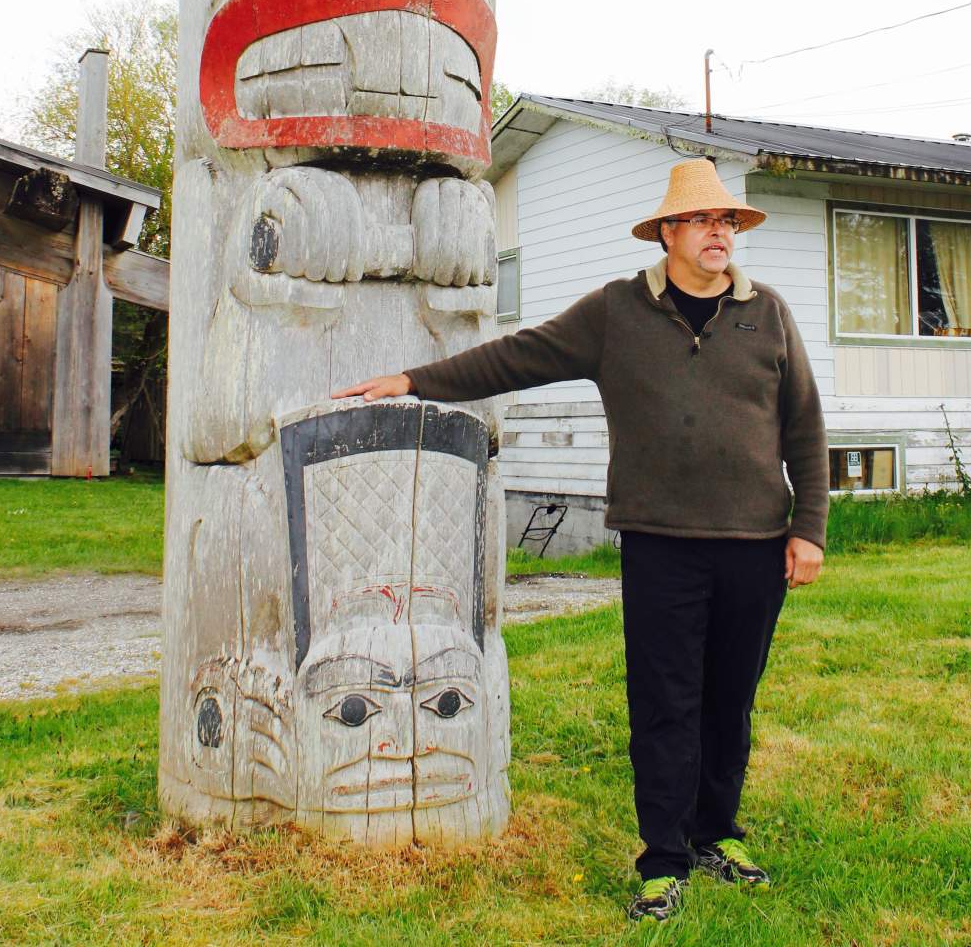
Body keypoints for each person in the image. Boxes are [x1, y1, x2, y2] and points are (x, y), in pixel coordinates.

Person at [333, 156, 828, 923]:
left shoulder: (769, 314)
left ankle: (715, 834)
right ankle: (663, 861)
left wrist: (809, 531)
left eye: (727, 221)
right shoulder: (616, 312)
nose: (719, 233)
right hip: (661, 543)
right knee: (665, 704)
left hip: (755, 542)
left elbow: (804, 428)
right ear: (668, 232)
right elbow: (516, 356)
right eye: (703, 220)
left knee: (730, 703)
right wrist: (413, 379)